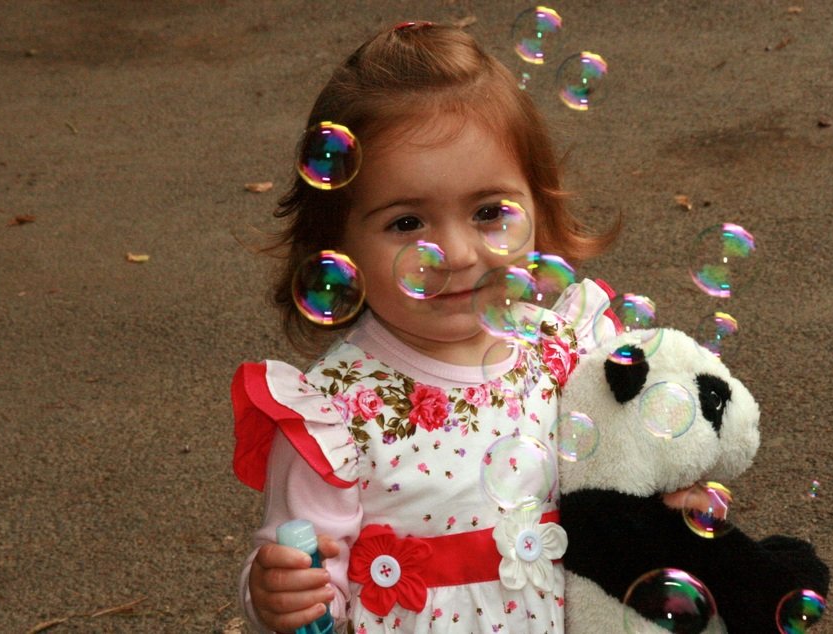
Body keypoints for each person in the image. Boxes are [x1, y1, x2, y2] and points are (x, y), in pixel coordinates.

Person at [231, 22, 622, 633]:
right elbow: (306, 571)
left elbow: (636, 475)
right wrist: (277, 594)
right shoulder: (337, 415)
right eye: (408, 222)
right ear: (338, 243)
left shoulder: (573, 348)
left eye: (489, 212)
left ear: (538, 203)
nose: (458, 253)